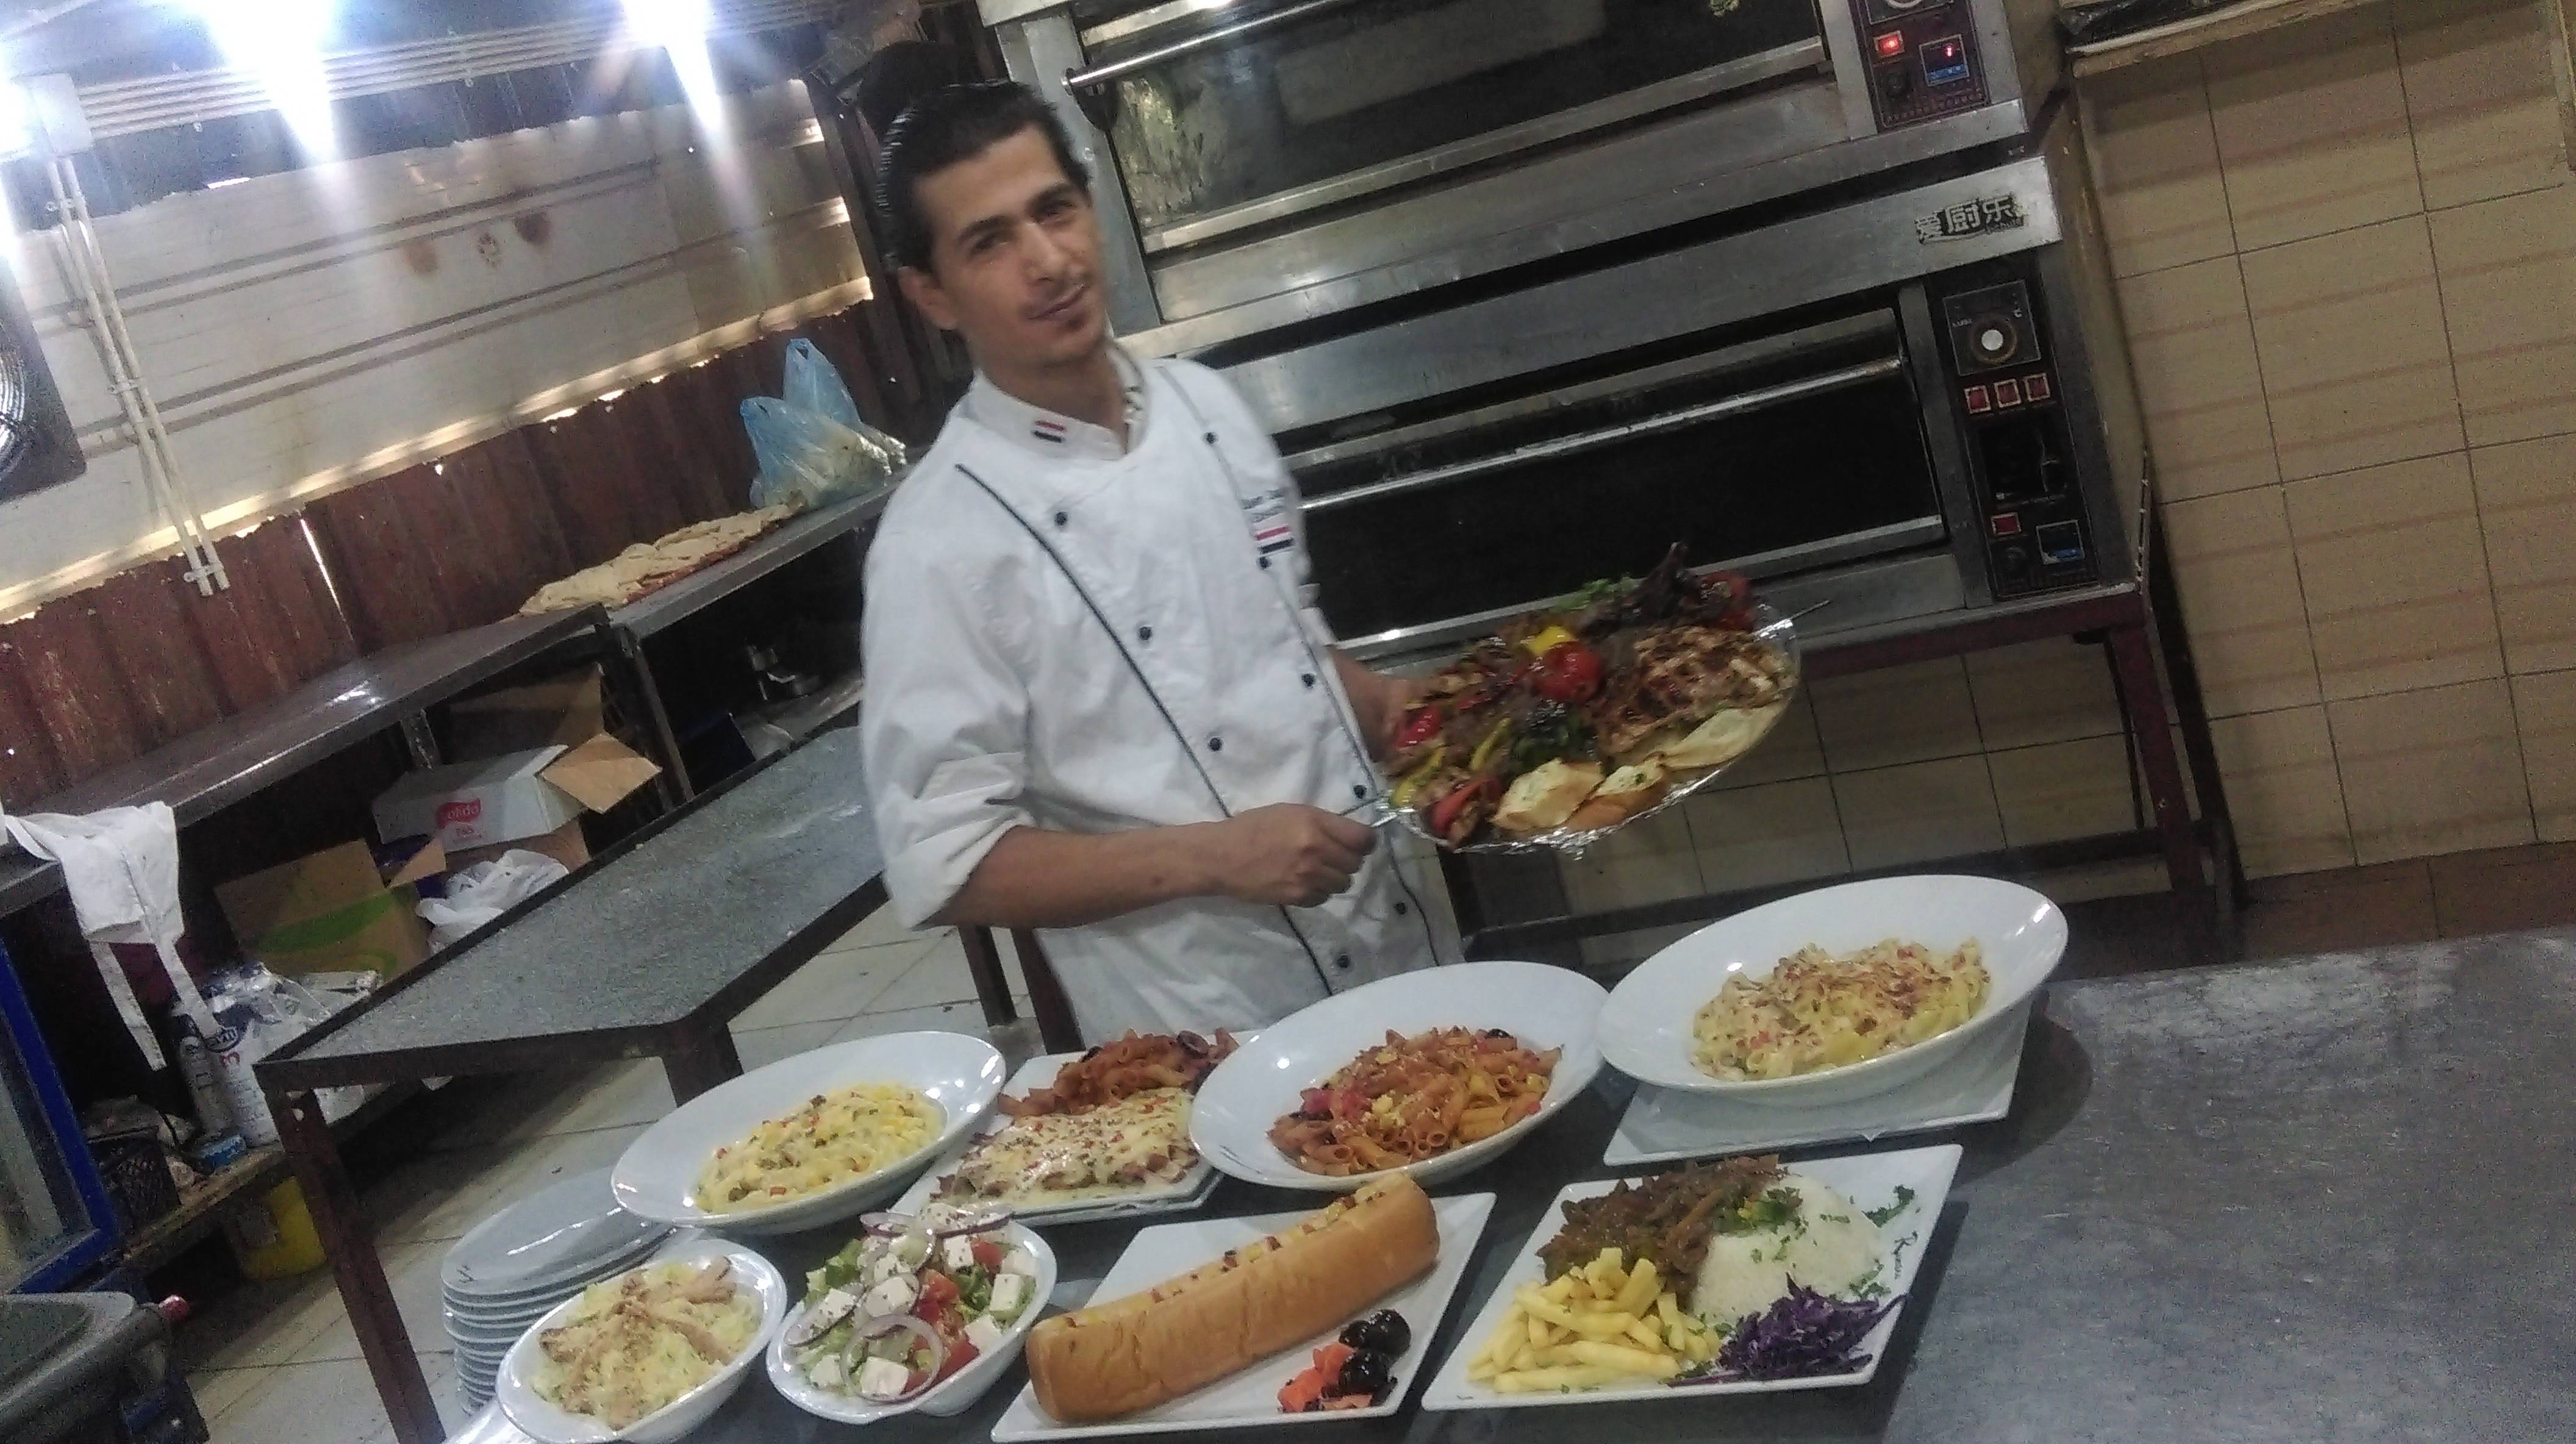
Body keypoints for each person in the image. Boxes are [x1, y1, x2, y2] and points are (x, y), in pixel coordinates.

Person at [856, 82, 1447, 1042]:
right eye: (990, 242)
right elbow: (949, 861)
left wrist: (1387, 709)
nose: (1048, 262)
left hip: (1401, 952)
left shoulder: (1207, 407)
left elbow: (1278, 644)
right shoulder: (938, 542)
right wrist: (1215, 857)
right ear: (931, 293)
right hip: (1208, 1028)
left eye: (1054, 210)